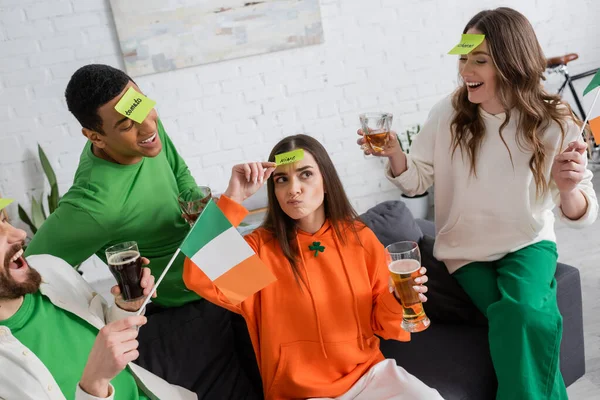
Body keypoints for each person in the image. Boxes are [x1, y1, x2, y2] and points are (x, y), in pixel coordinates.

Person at [357, 7, 598, 400]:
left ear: (511, 62)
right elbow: (417, 180)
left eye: (480, 60)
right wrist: (396, 155)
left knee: (520, 316)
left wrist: (568, 187)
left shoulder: (558, 122)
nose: (466, 69)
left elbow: (583, 215)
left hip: (528, 243)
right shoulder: (448, 114)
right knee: (523, 322)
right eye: (464, 58)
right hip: (466, 251)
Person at [23, 64, 261, 399]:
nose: (149, 127)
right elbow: (29, 271)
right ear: (95, 137)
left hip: (225, 275)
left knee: (278, 378)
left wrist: (208, 216)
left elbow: (183, 181)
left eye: (145, 107)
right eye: (126, 125)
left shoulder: (145, 131)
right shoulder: (93, 205)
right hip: (182, 318)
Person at [183, 134, 443, 400]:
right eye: (281, 179)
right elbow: (197, 275)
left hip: (369, 376)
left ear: (326, 182)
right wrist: (232, 198)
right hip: (299, 393)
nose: (293, 189)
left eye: (305, 174)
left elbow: (383, 323)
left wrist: (398, 298)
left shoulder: (359, 238)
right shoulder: (260, 252)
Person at [0, 198, 195, 400]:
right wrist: (94, 385)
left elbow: (106, 330)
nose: (20, 234)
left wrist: (127, 306)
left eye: (5, 220)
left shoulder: (49, 267)